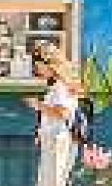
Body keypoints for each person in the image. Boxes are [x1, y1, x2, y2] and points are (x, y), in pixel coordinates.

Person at [28, 45, 82, 186]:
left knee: (53, 181)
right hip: (55, 139)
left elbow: (62, 112)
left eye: (39, 66)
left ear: (49, 65)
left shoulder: (60, 86)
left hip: (57, 140)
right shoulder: (60, 85)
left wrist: (37, 105)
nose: (37, 70)